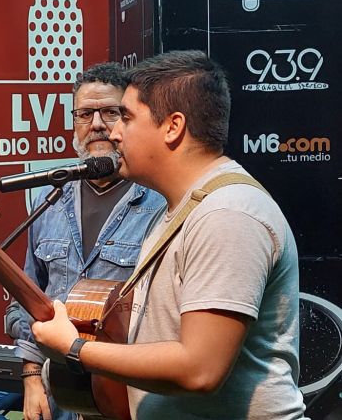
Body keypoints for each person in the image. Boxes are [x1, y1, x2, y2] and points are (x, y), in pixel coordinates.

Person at [32, 50, 307, 419]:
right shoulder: (178, 209)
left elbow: (199, 370)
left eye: (125, 118)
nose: (112, 133)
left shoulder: (227, 214)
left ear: (172, 127)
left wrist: (75, 348)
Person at [0, 63, 165, 420]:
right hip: (49, 364)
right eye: (85, 114)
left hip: (115, 372)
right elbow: (27, 295)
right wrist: (32, 375)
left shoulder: (157, 201)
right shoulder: (51, 199)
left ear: (128, 121)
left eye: (110, 112)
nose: (96, 124)